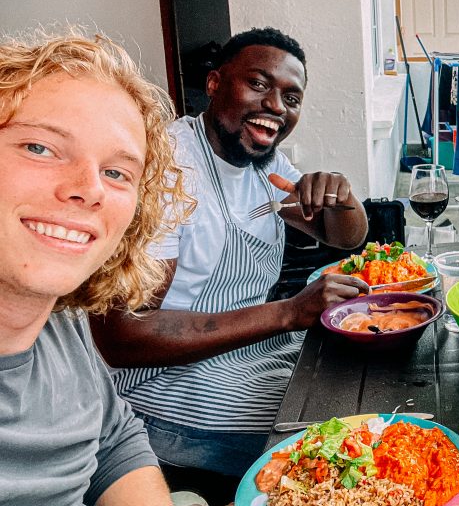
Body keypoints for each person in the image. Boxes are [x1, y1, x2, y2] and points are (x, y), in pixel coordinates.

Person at [91, 27, 370, 477]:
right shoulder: (166, 172)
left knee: (358, 384)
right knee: (335, 446)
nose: (276, 107)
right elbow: (124, 338)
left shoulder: (265, 164)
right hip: (163, 384)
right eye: (258, 84)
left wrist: (344, 199)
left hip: (252, 351)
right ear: (215, 83)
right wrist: (288, 313)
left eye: (291, 98)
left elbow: (345, 237)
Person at [0, 29, 222, 506]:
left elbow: (114, 438)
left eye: (117, 172)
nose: (89, 187)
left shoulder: (61, 320)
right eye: (40, 147)